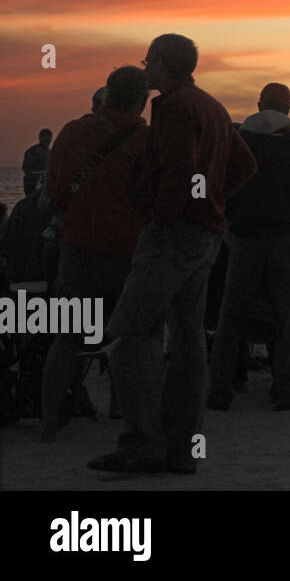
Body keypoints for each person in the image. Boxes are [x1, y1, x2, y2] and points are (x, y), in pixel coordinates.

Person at [89, 33, 256, 474]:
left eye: (148, 61)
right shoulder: (213, 107)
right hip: (205, 237)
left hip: (174, 235)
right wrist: (215, 203)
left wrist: (163, 215)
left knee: (128, 333)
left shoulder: (178, 107)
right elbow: (244, 165)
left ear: (160, 62)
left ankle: (143, 441)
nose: (144, 68)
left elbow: (179, 170)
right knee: (188, 341)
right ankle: (180, 449)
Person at [40, 67, 150, 442]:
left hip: (78, 249)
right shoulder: (145, 139)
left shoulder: (71, 132)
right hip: (129, 254)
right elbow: (156, 198)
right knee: (128, 338)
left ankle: (48, 425)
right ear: (142, 100)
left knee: (66, 338)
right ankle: (123, 411)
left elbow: (52, 193)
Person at [209, 83, 290, 412]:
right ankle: (283, 390)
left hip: (243, 239)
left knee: (230, 316)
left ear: (259, 105)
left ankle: (221, 389)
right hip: (287, 239)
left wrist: (227, 223)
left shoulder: (239, 140)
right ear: (288, 108)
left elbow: (218, 187)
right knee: (287, 315)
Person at [22, 128, 53, 197]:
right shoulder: (32, 151)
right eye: (45, 137)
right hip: (32, 183)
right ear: (40, 138)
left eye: (49, 138)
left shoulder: (50, 152)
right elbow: (26, 169)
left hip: (45, 184)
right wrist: (42, 173)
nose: (48, 140)